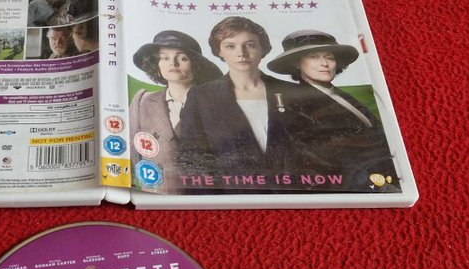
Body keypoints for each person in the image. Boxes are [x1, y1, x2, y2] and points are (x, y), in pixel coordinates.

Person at [266, 30, 399, 190]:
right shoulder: (296, 105)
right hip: (354, 184)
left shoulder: (341, 95)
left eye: (329, 57)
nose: (324, 64)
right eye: (314, 57)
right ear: (297, 63)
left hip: (387, 173)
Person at [177, 16, 296, 182]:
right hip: (230, 190)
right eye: (230, 46)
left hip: (291, 189)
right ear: (219, 51)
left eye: (250, 45)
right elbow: (192, 156)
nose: (241, 53)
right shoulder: (201, 96)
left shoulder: (290, 91)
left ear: (262, 48)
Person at [129, 31, 222, 186]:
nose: (173, 63)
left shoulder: (215, 104)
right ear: (157, 64)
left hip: (203, 194)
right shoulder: (142, 101)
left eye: (182, 58)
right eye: (165, 58)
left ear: (196, 65)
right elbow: (130, 158)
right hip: (154, 194)